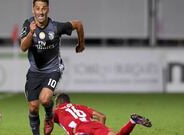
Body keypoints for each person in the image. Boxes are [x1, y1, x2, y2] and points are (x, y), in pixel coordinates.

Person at [19, 0, 85, 135]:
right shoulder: (28, 24)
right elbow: (23, 48)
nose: (41, 12)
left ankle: (49, 116)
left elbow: (78, 24)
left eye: (43, 8)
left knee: (45, 99)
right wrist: (31, 33)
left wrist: (81, 44)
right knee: (33, 108)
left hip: (53, 69)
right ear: (33, 10)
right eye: (38, 8)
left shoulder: (56, 27)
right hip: (34, 72)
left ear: (48, 9)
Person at [52, 93, 152, 135]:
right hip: (95, 125)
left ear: (57, 104)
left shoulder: (56, 110)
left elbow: (48, 122)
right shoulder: (80, 106)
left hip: (79, 129)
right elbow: (102, 116)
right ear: (69, 101)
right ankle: (132, 121)